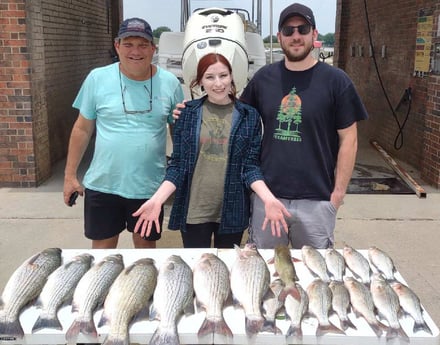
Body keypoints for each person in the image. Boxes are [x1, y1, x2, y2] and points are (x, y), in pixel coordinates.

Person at [239, 3, 369, 249]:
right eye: (288, 30)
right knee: (267, 271)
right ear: (279, 37)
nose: (296, 36)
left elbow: (349, 139)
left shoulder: (336, 81)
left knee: (315, 276)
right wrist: (194, 109)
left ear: (314, 34)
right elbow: (235, 116)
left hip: (317, 199)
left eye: (303, 29)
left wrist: (337, 195)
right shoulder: (263, 79)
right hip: (269, 198)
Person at [132, 53, 290, 248]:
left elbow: (249, 167)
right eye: (210, 77)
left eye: (223, 75)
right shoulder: (186, 113)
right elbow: (178, 165)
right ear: (200, 82)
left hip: (232, 209)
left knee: (227, 269)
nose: (218, 84)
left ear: (232, 77)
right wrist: (157, 200)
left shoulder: (249, 116)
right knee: (199, 267)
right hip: (194, 210)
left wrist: (268, 199)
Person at [63, 17, 184, 249]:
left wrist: (180, 178)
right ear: (117, 46)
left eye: (142, 44)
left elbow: (177, 131)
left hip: (149, 187)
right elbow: (82, 128)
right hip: (103, 184)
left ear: (153, 49)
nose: (135, 51)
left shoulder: (169, 83)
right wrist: (69, 176)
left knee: (145, 256)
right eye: (128, 44)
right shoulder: (97, 78)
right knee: (103, 256)